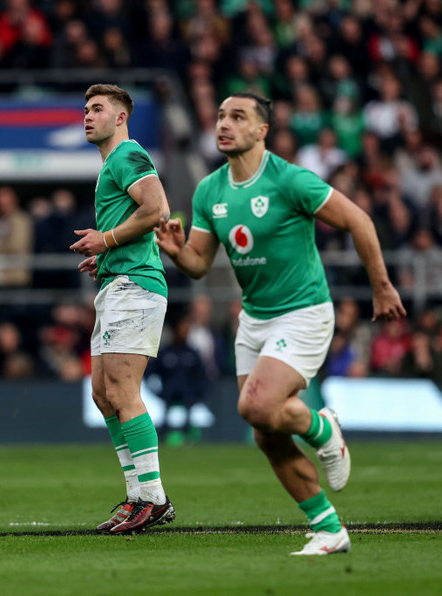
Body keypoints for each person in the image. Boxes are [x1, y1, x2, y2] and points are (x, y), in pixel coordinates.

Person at [155, 91, 406, 556]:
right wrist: (176, 252)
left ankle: (323, 429)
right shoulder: (210, 190)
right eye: (221, 115)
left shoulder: (290, 180)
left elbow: (359, 220)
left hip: (305, 311)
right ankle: (329, 529)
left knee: (254, 405)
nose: (224, 124)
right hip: (255, 320)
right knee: (266, 434)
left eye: (238, 117)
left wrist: (382, 286)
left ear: (261, 131)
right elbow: (199, 264)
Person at [70, 83, 175, 535]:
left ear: (121, 117)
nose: (88, 116)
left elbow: (158, 209)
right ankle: (137, 495)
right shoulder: (111, 165)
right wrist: (106, 254)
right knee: (102, 394)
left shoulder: (128, 155)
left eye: (98, 109)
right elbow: (136, 221)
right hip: (118, 280)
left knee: (123, 391)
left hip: (137, 286)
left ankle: (152, 498)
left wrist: (107, 240)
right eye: (86, 109)